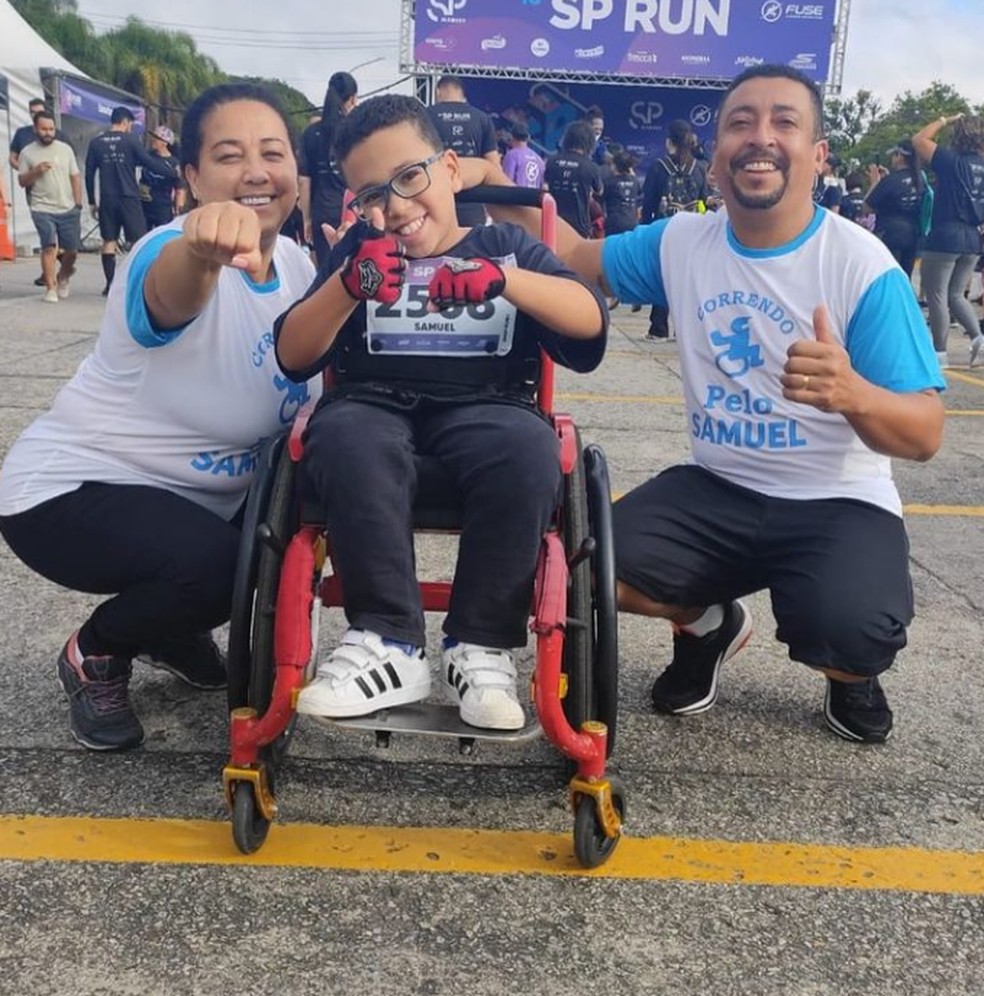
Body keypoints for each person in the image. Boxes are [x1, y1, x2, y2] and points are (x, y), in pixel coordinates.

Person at [466, 63, 945, 744]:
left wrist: (852, 393)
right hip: (719, 487)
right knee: (584, 568)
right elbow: (572, 254)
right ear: (717, 151)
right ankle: (708, 624)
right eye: (741, 122)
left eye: (784, 122)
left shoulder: (862, 267)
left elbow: (925, 433)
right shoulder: (683, 241)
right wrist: (496, 189)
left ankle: (852, 674)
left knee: (845, 627)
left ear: (817, 154)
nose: (761, 137)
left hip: (838, 501)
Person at [0, 82, 321, 751]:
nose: (257, 172)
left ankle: (170, 625)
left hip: (193, 499)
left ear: (297, 170)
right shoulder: (164, 254)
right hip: (70, 494)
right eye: (230, 156)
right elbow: (173, 292)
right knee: (225, 571)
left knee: (295, 518)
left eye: (273, 152)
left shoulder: (296, 264)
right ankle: (97, 652)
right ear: (193, 177)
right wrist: (201, 252)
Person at [273, 94, 607, 730]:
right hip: (374, 411)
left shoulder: (504, 244)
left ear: (451, 169)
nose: (394, 207)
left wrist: (505, 281)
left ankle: (480, 646)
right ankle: (389, 640)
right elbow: (292, 354)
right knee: (339, 432)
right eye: (372, 195)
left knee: (529, 447)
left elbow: (589, 322)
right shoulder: (358, 255)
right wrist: (347, 286)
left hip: (490, 408)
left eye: (409, 178)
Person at [913, 113, 984, 368]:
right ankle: (979, 340)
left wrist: (945, 119)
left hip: (946, 234)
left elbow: (919, 139)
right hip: (973, 238)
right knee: (957, 294)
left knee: (937, 294)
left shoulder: (951, 161)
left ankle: (939, 353)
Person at [85, 106, 175, 295]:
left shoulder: (96, 142)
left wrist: (92, 200)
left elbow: (89, 173)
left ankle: (109, 284)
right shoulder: (131, 140)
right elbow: (149, 162)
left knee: (108, 241)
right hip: (129, 197)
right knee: (138, 241)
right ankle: (135, 283)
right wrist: (172, 173)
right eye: (130, 125)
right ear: (126, 122)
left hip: (107, 198)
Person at [641, 119, 710, 340]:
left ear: (669, 141)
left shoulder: (659, 168)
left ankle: (658, 328)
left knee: (664, 277)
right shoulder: (699, 168)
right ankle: (685, 330)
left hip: (665, 230)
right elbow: (704, 200)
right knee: (688, 281)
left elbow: (649, 203)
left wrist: (644, 229)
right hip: (694, 231)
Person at [16, 111, 83, 303]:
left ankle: (63, 276)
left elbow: (75, 176)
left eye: (51, 129)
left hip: (67, 207)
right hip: (41, 207)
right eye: (44, 129)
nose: (48, 133)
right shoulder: (27, 152)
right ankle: (50, 287)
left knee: (71, 252)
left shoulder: (65, 149)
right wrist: (36, 171)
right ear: (36, 129)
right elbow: (22, 181)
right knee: (49, 247)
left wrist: (78, 202)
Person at [298, 71, 358, 269]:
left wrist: (307, 218)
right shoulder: (354, 131)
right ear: (351, 99)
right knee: (354, 270)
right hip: (351, 211)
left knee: (326, 270)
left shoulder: (311, 133)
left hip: (321, 211)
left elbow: (304, 181)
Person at [9, 97, 69, 288]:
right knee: (46, 233)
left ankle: (57, 264)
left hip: (59, 191)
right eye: (33, 112)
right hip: (34, 190)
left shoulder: (56, 134)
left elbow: (69, 159)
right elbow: (12, 157)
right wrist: (28, 170)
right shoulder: (23, 134)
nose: (37, 114)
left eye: (39, 111)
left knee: (58, 237)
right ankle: (48, 273)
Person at [427, 75, 499, 229]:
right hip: (473, 205)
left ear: (438, 91)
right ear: (462, 93)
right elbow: (493, 167)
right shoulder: (482, 118)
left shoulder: (426, 116)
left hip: (436, 203)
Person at [864, 140, 926, 279]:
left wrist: (875, 183)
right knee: (905, 278)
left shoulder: (891, 180)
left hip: (890, 232)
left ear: (900, 156)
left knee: (888, 276)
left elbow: (866, 207)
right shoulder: (920, 179)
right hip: (913, 233)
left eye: (894, 155)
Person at [543, 120, 603, 240]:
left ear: (567, 139)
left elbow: (544, 187)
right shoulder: (591, 167)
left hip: (554, 225)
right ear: (589, 142)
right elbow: (599, 191)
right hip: (579, 228)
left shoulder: (552, 161)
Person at [139, 125, 185, 230]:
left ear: (164, 142)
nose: (153, 140)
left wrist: (178, 208)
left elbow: (180, 188)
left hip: (162, 207)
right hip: (143, 205)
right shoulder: (147, 156)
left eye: (157, 138)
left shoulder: (173, 163)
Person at [501, 121, 545, 190]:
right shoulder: (539, 159)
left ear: (512, 136)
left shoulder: (511, 155)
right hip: (534, 199)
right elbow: (543, 186)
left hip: (517, 199)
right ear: (528, 137)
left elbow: (506, 183)